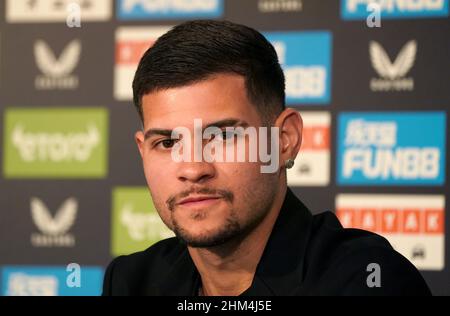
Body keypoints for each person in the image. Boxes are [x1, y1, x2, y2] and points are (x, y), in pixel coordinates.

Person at [102, 20, 431, 296]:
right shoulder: (132, 282)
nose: (193, 168)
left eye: (223, 136)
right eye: (169, 142)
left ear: (284, 140)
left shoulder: (366, 281)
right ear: (143, 151)